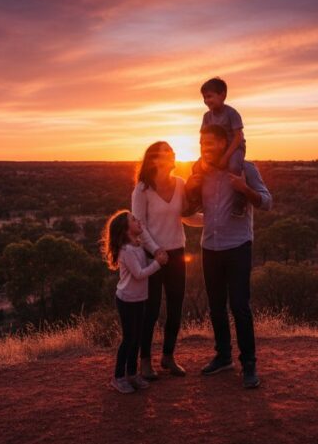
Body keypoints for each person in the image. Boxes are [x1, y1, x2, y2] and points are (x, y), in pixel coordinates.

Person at [185, 123, 272, 389]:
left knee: (240, 307)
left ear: (226, 144)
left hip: (238, 246)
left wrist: (244, 189)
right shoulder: (200, 171)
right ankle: (223, 357)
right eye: (202, 144)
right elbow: (189, 207)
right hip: (210, 246)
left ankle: (249, 363)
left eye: (210, 143)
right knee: (216, 307)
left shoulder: (245, 168)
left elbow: (267, 202)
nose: (205, 148)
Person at [132, 141, 202, 379]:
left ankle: (168, 356)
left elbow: (187, 216)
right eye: (165, 154)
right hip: (152, 256)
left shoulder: (180, 184)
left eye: (172, 153)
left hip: (176, 253)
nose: (171, 156)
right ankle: (144, 362)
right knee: (150, 310)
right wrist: (156, 250)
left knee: (175, 307)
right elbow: (139, 227)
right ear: (153, 160)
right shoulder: (142, 190)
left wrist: (214, 219)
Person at [101, 210, 168, 394]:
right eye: (133, 220)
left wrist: (156, 257)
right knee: (129, 339)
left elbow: (144, 267)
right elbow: (139, 274)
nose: (138, 221)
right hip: (127, 299)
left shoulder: (138, 246)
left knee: (136, 338)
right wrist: (158, 263)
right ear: (125, 229)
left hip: (139, 299)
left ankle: (131, 374)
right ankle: (118, 377)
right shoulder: (127, 251)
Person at [186, 77, 248, 217]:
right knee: (197, 167)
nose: (207, 101)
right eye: (204, 98)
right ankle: (198, 200)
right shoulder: (207, 116)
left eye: (210, 96)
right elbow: (203, 139)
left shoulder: (232, 113)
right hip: (214, 150)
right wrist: (204, 160)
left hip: (234, 147)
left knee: (234, 166)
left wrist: (226, 157)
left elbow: (238, 136)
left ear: (223, 95)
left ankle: (239, 201)